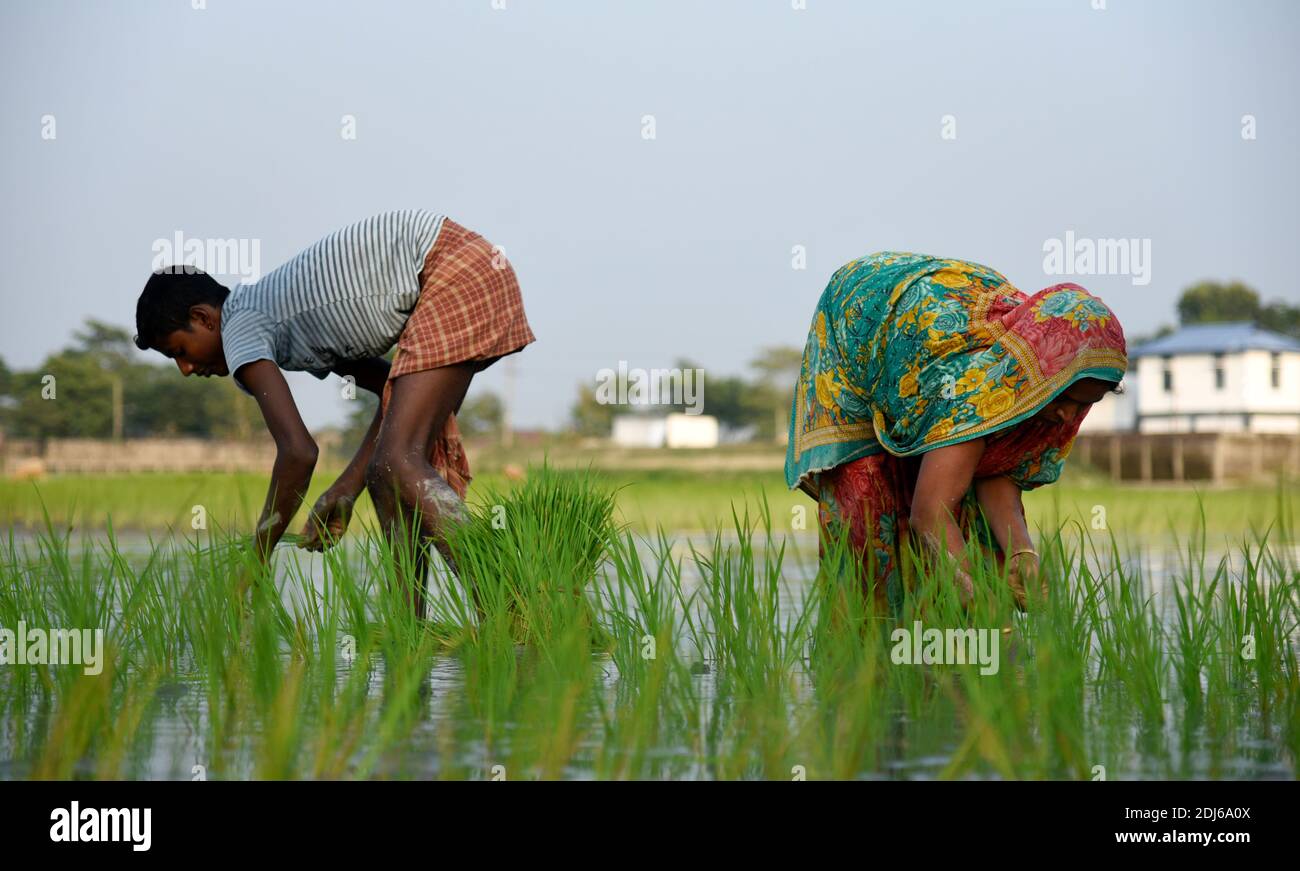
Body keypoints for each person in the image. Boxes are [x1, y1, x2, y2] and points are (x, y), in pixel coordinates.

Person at [133, 209, 535, 615]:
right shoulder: (283, 323)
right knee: (387, 474)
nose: (185, 369)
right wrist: (347, 487)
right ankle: (408, 631)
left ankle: (517, 608)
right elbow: (388, 391)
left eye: (179, 352)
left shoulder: (239, 326)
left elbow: (298, 452)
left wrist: (256, 559)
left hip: (451, 269)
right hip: (467, 263)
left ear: (204, 317)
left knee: (397, 461)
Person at [785, 251, 1127, 611]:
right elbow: (929, 514)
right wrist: (981, 603)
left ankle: (942, 653)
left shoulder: (1058, 390)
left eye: (1088, 402)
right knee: (871, 512)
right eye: (1067, 399)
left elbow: (996, 471)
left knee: (969, 528)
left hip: (938, 324)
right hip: (863, 322)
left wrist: (1022, 552)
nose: (1068, 415)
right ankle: (865, 661)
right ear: (1045, 375)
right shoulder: (974, 387)